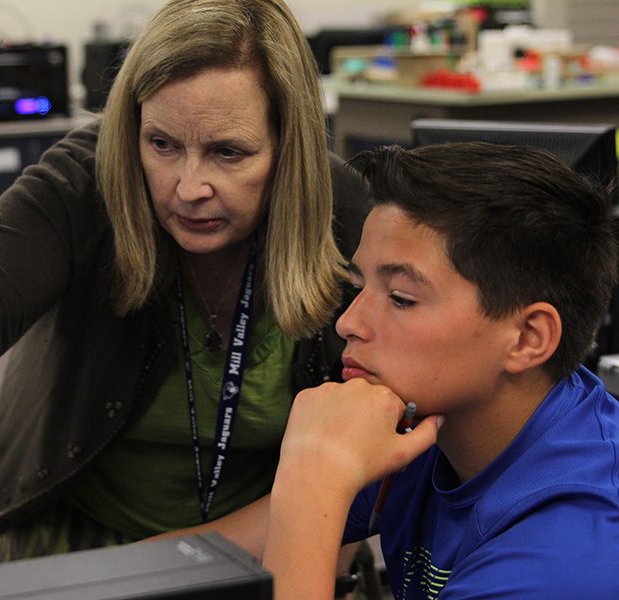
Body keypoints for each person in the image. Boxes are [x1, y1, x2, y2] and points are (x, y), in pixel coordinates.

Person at [0, 0, 372, 570]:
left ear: (291, 149)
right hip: (80, 546)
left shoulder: (347, 218)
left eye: (228, 152)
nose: (189, 187)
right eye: (161, 144)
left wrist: (174, 561)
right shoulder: (87, 180)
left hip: (272, 543)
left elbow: (374, 462)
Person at [165, 142, 619, 598]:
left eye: (401, 299)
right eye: (360, 286)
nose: (348, 323)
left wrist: (315, 478)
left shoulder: (568, 555)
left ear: (528, 338)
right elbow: (202, 558)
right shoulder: (430, 425)